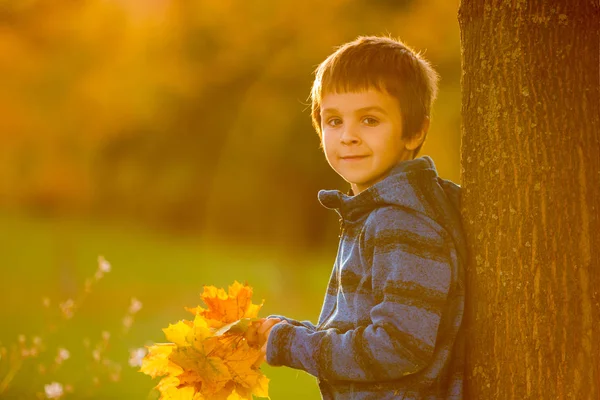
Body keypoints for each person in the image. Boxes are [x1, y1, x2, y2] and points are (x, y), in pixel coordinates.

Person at [247, 35, 467, 400]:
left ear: (415, 131)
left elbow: (399, 347)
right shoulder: (377, 213)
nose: (348, 136)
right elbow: (364, 330)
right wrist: (285, 332)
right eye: (334, 121)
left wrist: (293, 344)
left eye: (369, 120)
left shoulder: (403, 222)